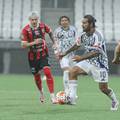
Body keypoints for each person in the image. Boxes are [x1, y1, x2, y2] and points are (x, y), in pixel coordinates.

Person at [59, 15, 119, 110]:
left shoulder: (98, 35)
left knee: (103, 89)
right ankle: (72, 98)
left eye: (84, 23)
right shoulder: (83, 35)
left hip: (100, 64)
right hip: (87, 61)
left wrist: (81, 58)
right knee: (72, 71)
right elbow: (77, 45)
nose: (82, 25)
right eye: (82, 23)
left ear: (91, 24)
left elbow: (96, 52)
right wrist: (65, 53)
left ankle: (114, 101)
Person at [20, 11, 57, 104]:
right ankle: (41, 93)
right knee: (37, 77)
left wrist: (55, 43)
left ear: (38, 19)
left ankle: (53, 97)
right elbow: (23, 45)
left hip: (43, 54)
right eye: (32, 20)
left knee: (47, 72)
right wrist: (34, 43)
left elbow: (51, 33)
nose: (34, 21)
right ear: (29, 20)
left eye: (35, 19)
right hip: (32, 57)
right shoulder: (25, 30)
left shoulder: (43, 26)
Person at [53, 16, 78, 95]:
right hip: (62, 55)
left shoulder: (74, 30)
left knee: (73, 73)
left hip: (72, 54)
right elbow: (55, 43)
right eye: (62, 20)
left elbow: (77, 41)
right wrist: (56, 52)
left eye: (66, 20)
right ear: (60, 22)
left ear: (69, 21)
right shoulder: (57, 31)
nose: (64, 22)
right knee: (66, 71)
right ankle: (67, 91)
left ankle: (73, 93)